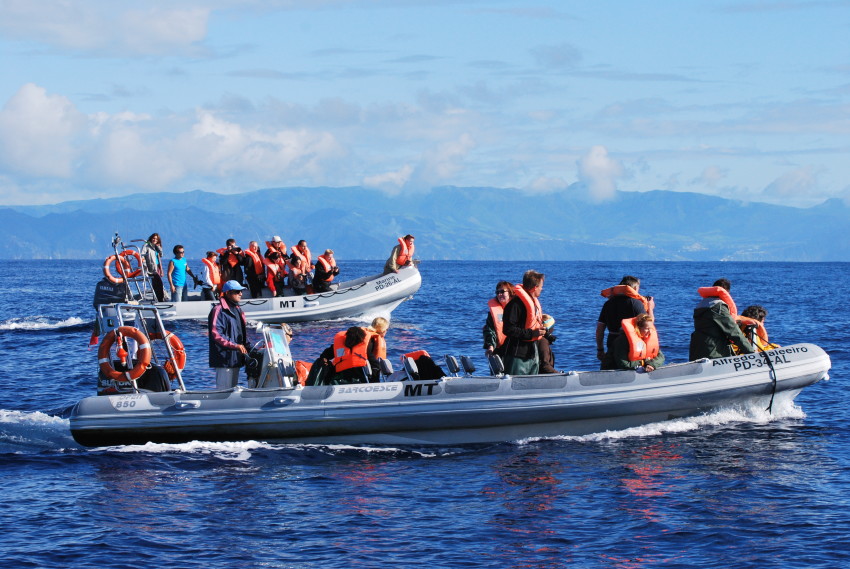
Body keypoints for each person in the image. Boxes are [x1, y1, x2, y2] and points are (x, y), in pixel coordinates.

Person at [596, 276, 654, 370]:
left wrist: (600, 350)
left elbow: (599, 330)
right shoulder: (636, 303)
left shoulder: (608, 304)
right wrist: (650, 308)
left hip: (612, 343)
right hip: (630, 346)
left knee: (612, 368)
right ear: (635, 288)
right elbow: (649, 324)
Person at [689, 278, 754, 360]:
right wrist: (751, 353)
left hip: (697, 351)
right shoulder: (718, 307)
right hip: (713, 353)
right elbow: (733, 332)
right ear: (727, 292)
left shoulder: (701, 305)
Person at [502, 270, 547, 375]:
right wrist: (532, 334)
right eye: (541, 286)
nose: (542, 289)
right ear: (535, 287)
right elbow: (508, 329)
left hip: (532, 352)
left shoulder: (533, 303)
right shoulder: (515, 305)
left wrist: (545, 334)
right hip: (517, 354)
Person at [208, 280, 249, 389]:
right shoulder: (218, 310)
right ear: (227, 293)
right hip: (224, 359)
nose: (241, 293)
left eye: (241, 291)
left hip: (236, 359)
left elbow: (241, 333)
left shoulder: (238, 310)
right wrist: (235, 346)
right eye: (237, 291)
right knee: (223, 391)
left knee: (233, 391)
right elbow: (216, 333)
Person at [483, 281, 514, 357]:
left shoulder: (518, 309)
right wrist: (490, 346)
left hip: (516, 349)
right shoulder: (493, 313)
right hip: (500, 350)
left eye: (502, 291)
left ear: (510, 292)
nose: (499, 294)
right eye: (497, 292)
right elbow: (490, 330)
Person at [140, 232, 166, 301]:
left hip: (157, 267)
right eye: (154, 238)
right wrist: (145, 265)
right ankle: (159, 299)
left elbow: (160, 256)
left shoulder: (156, 247)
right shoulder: (146, 246)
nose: (155, 240)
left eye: (156, 239)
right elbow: (142, 256)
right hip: (151, 268)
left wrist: (159, 248)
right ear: (151, 238)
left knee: (159, 283)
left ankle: (160, 298)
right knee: (158, 283)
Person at [367, 317, 389, 381]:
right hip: (371, 368)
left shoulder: (373, 338)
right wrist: (377, 365)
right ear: (383, 330)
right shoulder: (372, 339)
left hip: (373, 368)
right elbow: (368, 354)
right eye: (386, 329)